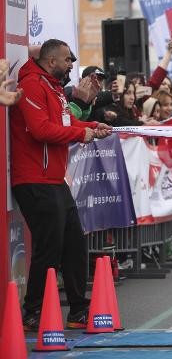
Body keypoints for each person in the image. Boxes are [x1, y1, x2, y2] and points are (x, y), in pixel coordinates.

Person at [10, 39, 112, 330]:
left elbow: (67, 124)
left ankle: (78, 310)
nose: (71, 65)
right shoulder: (31, 85)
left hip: (53, 179)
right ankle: (32, 311)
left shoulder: (53, 89)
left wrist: (93, 127)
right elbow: (41, 130)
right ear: (51, 61)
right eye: (68, 60)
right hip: (32, 178)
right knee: (48, 247)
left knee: (75, 243)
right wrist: (84, 136)